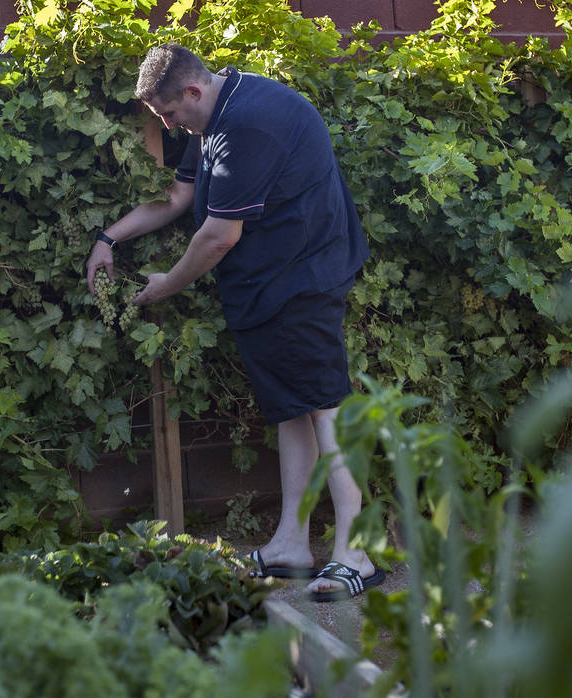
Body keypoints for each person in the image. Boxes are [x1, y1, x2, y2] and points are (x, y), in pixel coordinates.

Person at [85, 43, 382, 601]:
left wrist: (165, 286)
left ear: (192, 92)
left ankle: (357, 554)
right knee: (293, 410)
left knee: (328, 409)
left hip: (303, 280)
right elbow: (178, 199)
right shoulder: (211, 124)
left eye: (170, 114)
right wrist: (109, 239)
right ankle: (292, 544)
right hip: (264, 285)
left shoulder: (251, 122)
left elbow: (219, 236)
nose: (170, 127)